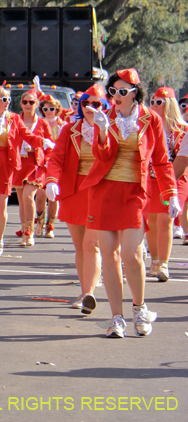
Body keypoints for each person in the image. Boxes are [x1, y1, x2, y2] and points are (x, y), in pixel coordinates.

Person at [83, 69, 178, 338]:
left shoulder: (151, 120)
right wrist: (101, 131)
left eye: (122, 91)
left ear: (135, 92)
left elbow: (161, 160)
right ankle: (117, 317)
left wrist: (170, 192)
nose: (116, 96)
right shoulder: (106, 117)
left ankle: (140, 308)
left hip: (134, 193)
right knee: (110, 254)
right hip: (104, 191)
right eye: (112, 91)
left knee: (132, 255)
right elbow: (101, 157)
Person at [44, 86, 107, 314]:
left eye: (97, 104)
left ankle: (89, 292)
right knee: (80, 246)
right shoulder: (70, 130)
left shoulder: (112, 130)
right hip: (74, 192)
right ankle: (84, 290)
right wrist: (51, 180)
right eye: (86, 103)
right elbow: (57, 158)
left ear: (105, 106)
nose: (91, 108)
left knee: (92, 244)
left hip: (100, 191)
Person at [0, 84, 40, 258]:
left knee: (0, 209)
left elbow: (28, 135)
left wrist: (43, 143)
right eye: (4, 99)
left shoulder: (13, 119)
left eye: (9, 99)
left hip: (4, 165)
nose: (8, 102)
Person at [143, 86, 187, 281]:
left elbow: (181, 162)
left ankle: (164, 263)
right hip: (151, 179)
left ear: (169, 104)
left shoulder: (183, 130)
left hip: (176, 180)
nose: (154, 105)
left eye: (158, 102)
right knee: (151, 221)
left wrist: (167, 186)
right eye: (152, 102)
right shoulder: (148, 126)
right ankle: (154, 260)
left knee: (165, 220)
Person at [12, 85, 55, 246]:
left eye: (31, 102)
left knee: (28, 195)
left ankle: (29, 232)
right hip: (19, 162)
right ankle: (25, 230)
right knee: (22, 200)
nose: (28, 104)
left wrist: (49, 160)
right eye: (25, 102)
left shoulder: (43, 123)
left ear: (37, 105)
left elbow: (49, 144)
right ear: (21, 104)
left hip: (35, 163)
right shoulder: (16, 120)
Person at [35, 95, 66, 238]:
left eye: (51, 108)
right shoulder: (39, 123)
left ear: (57, 109)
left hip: (57, 162)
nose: (48, 111)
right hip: (41, 163)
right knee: (40, 195)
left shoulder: (62, 125)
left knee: (53, 196)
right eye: (45, 108)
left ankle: (50, 225)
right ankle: (40, 222)